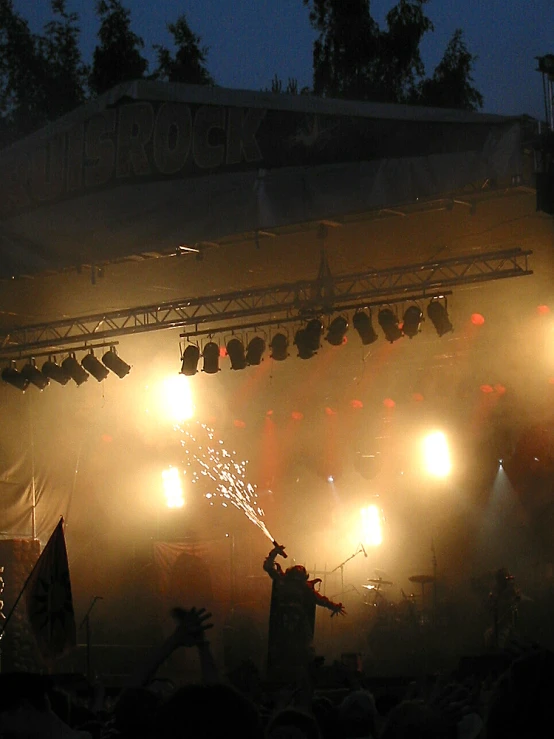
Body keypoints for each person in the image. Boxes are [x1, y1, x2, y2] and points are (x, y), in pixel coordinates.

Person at [263, 542, 345, 685]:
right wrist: (274, 552)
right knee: (289, 647)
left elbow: (319, 599)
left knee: (296, 647)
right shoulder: (284, 580)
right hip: (286, 618)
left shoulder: (294, 583)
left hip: (292, 619)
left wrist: (334, 606)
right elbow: (268, 567)